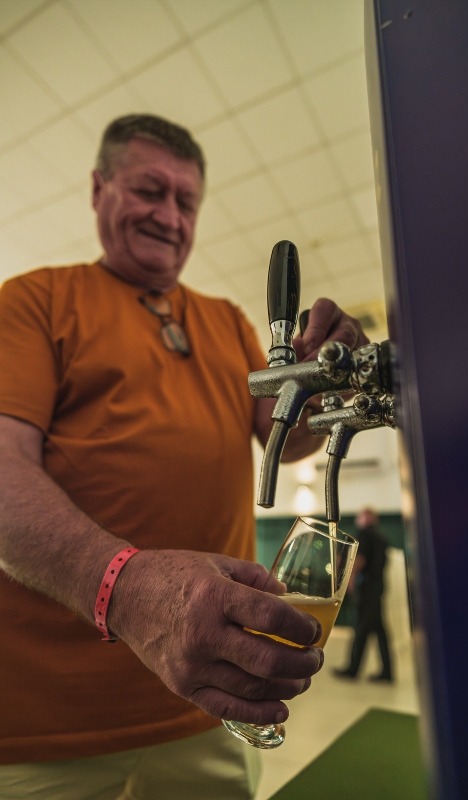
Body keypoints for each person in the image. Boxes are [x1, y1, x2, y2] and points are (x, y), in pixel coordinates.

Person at [0, 114, 367, 799]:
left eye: (186, 202)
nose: (169, 217)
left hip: (211, 702)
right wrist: (127, 591)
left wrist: (326, 378)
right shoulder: (33, 301)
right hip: (47, 728)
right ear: (98, 189)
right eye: (149, 190)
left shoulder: (226, 320)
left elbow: (290, 438)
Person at [333, 507, 394, 683]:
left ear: (365, 518)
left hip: (366, 588)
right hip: (377, 587)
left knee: (361, 627)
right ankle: (387, 671)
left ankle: (353, 670)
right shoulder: (381, 537)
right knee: (379, 629)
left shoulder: (364, 534)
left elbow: (359, 560)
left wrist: (350, 582)